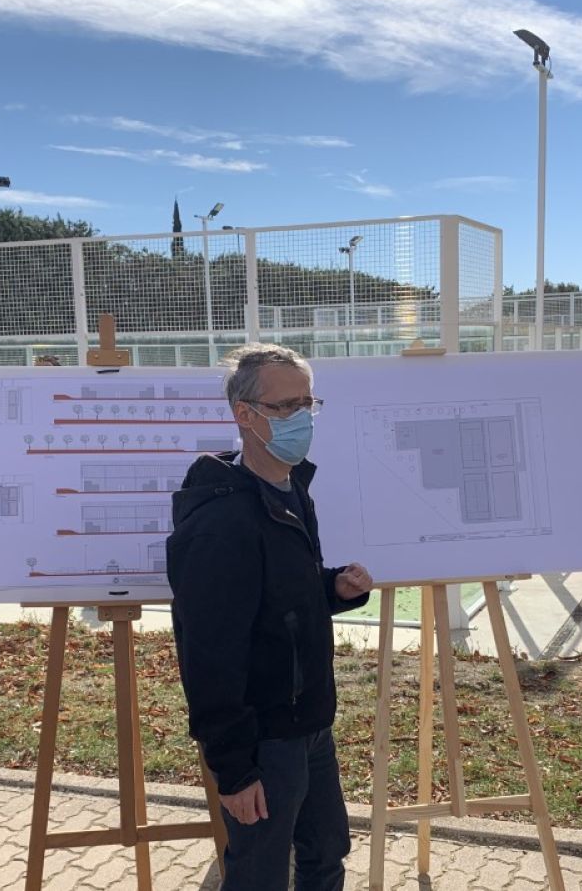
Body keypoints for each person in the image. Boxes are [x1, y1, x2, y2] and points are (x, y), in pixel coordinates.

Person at [168, 343, 374, 891]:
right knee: (259, 874)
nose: (301, 417)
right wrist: (234, 770)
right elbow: (208, 653)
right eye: (285, 406)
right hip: (263, 739)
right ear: (245, 415)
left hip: (310, 722)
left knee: (326, 853)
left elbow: (280, 596)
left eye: (307, 403)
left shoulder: (290, 488)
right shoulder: (220, 523)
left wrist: (333, 588)